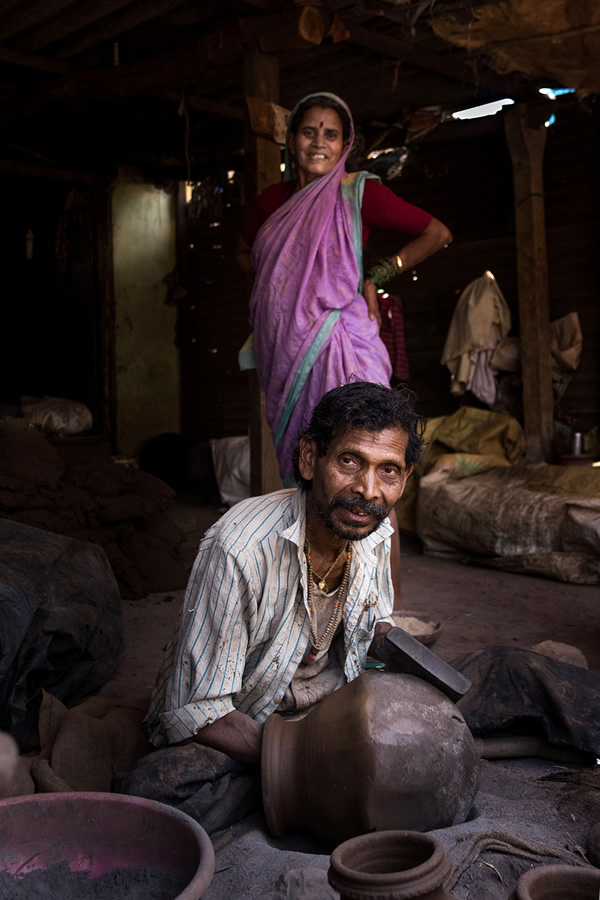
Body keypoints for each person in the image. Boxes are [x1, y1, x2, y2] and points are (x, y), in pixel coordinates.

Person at [144, 380, 424, 765]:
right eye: (349, 461)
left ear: (404, 478)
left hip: (328, 710)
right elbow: (198, 711)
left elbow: (374, 628)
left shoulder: (374, 533)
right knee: (179, 781)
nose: (369, 490)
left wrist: (417, 673)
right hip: (244, 724)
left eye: (388, 471)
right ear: (309, 458)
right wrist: (304, 763)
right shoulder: (240, 547)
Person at [235, 91, 451, 488]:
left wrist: (377, 276)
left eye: (331, 134)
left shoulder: (358, 193)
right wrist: (282, 289)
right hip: (283, 344)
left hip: (344, 338)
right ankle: (321, 552)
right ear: (292, 140)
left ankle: (382, 553)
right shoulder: (272, 201)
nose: (319, 142)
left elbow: (435, 232)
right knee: (311, 461)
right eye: (308, 132)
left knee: (369, 458)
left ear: (344, 144)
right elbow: (244, 253)